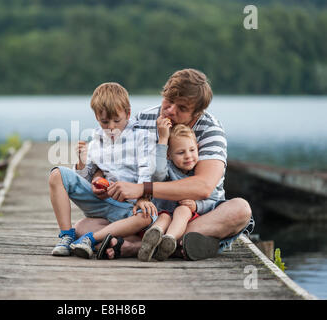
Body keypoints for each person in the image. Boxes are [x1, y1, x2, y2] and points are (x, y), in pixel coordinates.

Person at [74, 68, 254, 260]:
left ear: (197, 113)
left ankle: (136, 246)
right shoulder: (143, 120)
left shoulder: (210, 130)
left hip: (197, 213)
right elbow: (109, 158)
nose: (170, 110)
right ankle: (180, 244)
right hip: (148, 216)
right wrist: (99, 179)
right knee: (82, 227)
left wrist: (142, 188)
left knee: (240, 210)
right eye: (168, 101)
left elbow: (203, 187)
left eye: (182, 108)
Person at [49, 82, 156, 259]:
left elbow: (147, 168)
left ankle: (95, 239)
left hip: (129, 208)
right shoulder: (97, 139)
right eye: (105, 122)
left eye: (117, 121)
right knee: (57, 174)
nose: (111, 127)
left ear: (128, 114)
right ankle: (66, 236)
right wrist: (82, 164)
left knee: (147, 217)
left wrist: (143, 197)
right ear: (97, 117)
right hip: (103, 203)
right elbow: (86, 177)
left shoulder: (141, 137)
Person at [138, 123, 225, 262]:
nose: (188, 156)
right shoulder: (168, 169)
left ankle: (169, 240)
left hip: (185, 222)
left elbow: (215, 199)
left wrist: (197, 206)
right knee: (164, 218)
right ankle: (151, 239)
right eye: (180, 152)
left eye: (192, 150)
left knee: (184, 210)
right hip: (162, 215)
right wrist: (163, 140)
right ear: (168, 155)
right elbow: (158, 173)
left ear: (198, 149)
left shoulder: (200, 175)